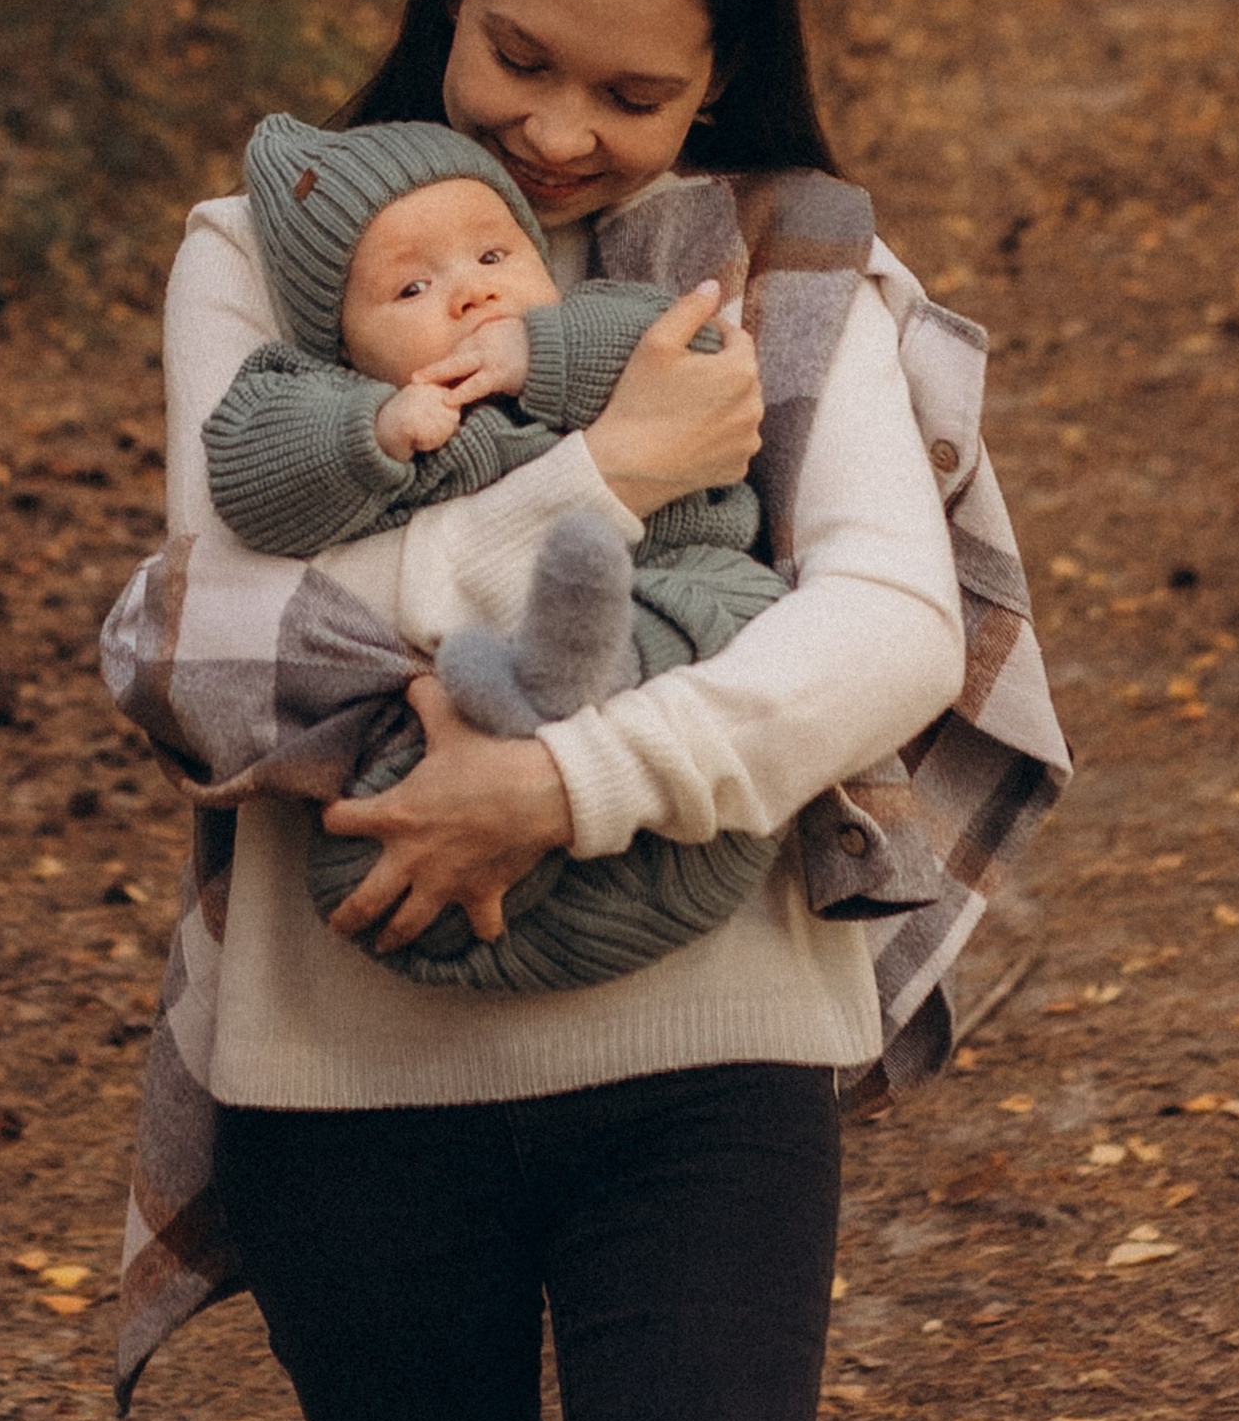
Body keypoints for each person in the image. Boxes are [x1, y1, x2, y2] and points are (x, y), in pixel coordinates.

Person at [102, 0, 1067, 1421]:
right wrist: (608, 478)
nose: (555, 132)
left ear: (722, 75)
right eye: (510, 56)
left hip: (700, 1068)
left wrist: (574, 775)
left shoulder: (795, 258)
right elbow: (243, 637)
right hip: (350, 1087)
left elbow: (881, 630)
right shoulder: (263, 253)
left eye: (631, 89)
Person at [194, 106, 791, 992]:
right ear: (341, 344)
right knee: (360, 856)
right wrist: (374, 429)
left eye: (493, 257)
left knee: (741, 608)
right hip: (453, 716)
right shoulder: (326, 395)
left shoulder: (596, 323)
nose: (470, 294)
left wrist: (534, 349)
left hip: (660, 604)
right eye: (409, 291)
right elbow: (249, 475)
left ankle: (567, 672)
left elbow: (703, 347)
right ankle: (525, 707)